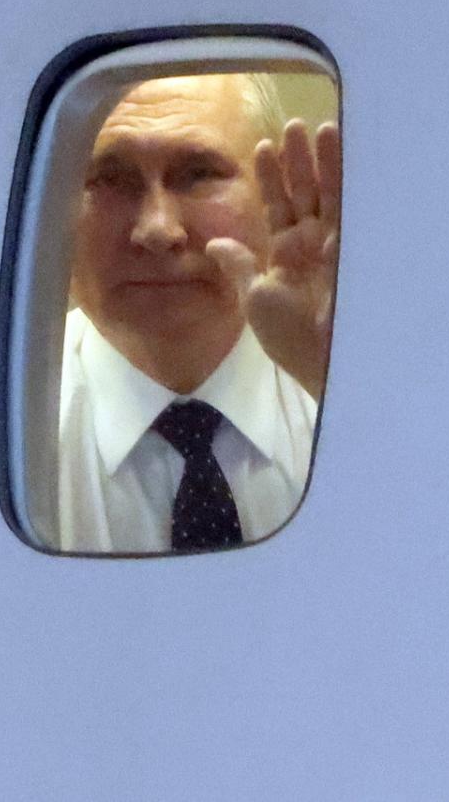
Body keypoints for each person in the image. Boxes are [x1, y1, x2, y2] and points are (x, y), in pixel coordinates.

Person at [55, 73, 340, 553]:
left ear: (277, 191)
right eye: (110, 179)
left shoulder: (338, 391)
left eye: (198, 174)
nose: (157, 229)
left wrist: (342, 385)